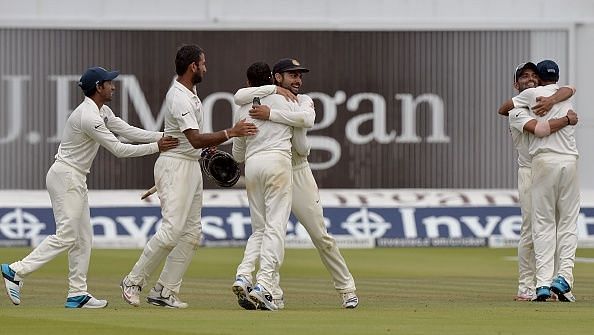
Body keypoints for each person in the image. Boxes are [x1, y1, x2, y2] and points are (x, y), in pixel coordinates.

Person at [1, 66, 179, 308]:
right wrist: (158, 147)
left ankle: (77, 294)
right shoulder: (89, 117)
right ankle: (15, 271)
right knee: (67, 235)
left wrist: (165, 135)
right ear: (98, 87)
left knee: (83, 238)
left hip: (74, 177)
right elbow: (119, 149)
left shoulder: (102, 110)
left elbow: (127, 131)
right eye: (109, 82)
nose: (114, 86)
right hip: (65, 177)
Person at [119, 44, 257, 309]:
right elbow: (193, 139)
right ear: (193, 66)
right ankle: (132, 281)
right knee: (172, 232)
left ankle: (164, 291)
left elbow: (194, 142)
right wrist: (232, 132)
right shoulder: (179, 96)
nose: (206, 67)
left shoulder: (191, 93)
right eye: (203, 63)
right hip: (175, 165)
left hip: (190, 166)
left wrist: (209, 148)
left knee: (192, 233)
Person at [232, 58, 358, 309]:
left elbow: (306, 127)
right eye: (292, 75)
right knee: (270, 230)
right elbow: (239, 96)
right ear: (276, 78)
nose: (298, 80)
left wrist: (272, 115)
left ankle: (347, 289)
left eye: (300, 76)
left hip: (298, 172)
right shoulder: (257, 98)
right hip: (278, 166)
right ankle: (271, 291)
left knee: (320, 235)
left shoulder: (303, 100)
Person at [499, 60, 579, 302]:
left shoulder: (550, 96)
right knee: (531, 230)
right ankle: (527, 286)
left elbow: (569, 88)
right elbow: (539, 128)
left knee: (551, 227)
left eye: (534, 74)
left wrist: (554, 100)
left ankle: (553, 284)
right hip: (529, 171)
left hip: (546, 167)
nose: (530, 78)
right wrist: (567, 119)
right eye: (524, 76)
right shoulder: (517, 110)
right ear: (516, 84)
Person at [231, 61, 303, 311]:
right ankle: (263, 286)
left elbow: (238, 154)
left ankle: (243, 275)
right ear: (273, 79)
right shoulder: (286, 100)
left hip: (252, 166)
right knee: (275, 228)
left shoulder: (241, 106)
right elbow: (302, 142)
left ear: (249, 83)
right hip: (278, 163)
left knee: (259, 230)